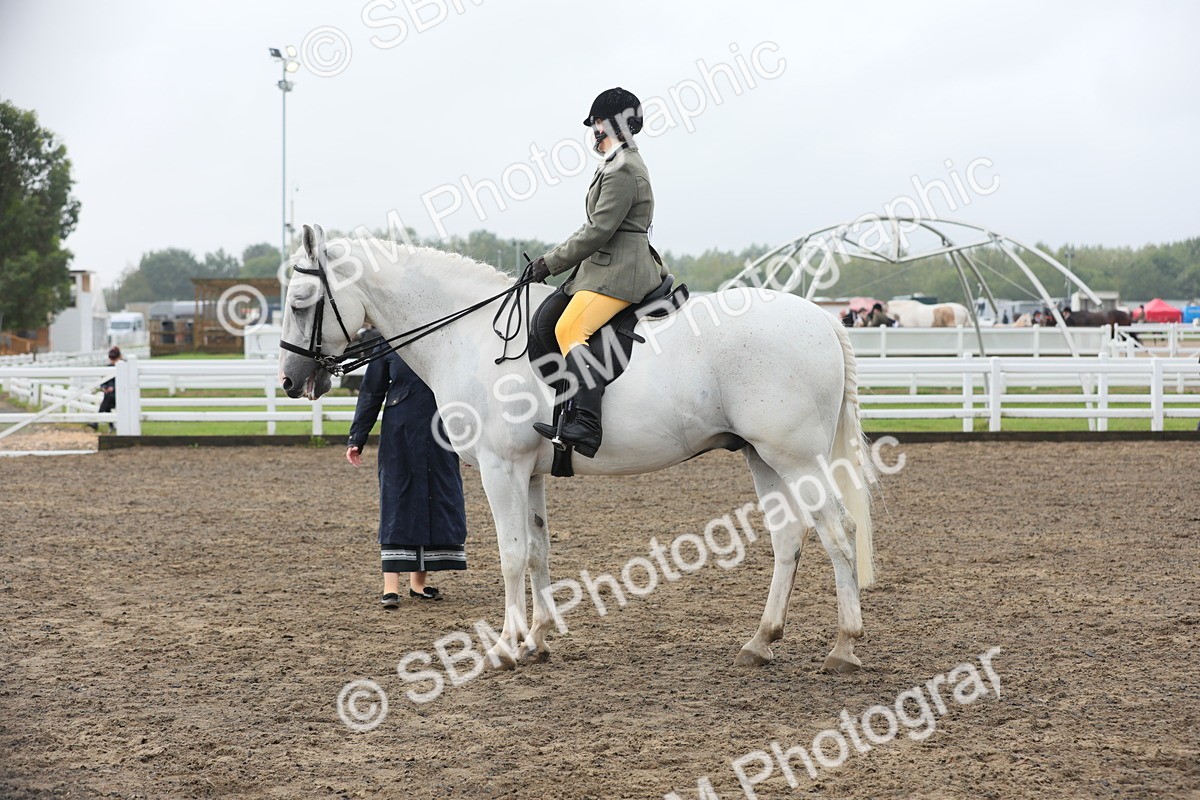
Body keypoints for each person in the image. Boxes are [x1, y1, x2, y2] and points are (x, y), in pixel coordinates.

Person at [527, 87, 663, 458]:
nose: (594, 132)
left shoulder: (623, 168)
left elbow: (598, 230)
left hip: (621, 270)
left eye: (598, 123)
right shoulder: (616, 163)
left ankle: (587, 423)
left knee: (570, 328)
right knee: (549, 321)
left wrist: (548, 264)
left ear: (615, 124)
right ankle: (566, 408)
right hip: (605, 266)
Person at [346, 327, 469, 609]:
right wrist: (357, 438)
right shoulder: (386, 339)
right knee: (398, 501)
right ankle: (390, 588)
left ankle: (418, 584)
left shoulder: (445, 337)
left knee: (435, 498)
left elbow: (465, 391)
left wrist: (468, 441)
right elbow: (371, 392)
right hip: (398, 436)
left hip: (441, 434)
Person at [88, 346, 121, 432]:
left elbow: (124, 382)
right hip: (109, 395)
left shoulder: (122, 367)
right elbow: (103, 381)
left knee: (107, 401)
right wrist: (104, 388)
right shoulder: (108, 368)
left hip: (119, 395)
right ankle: (107, 425)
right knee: (107, 401)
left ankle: (96, 422)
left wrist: (113, 388)